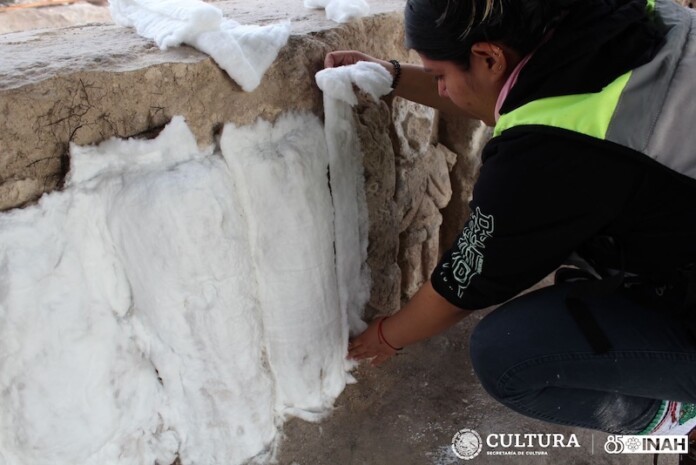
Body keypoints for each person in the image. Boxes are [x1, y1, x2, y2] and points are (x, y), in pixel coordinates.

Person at [326, 0, 696, 451]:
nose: (440, 88)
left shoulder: (549, 157)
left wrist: (384, 337)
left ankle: (672, 409)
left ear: (489, 57)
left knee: (507, 356)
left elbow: (465, 282)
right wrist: (392, 75)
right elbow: (505, 96)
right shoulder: (619, 22)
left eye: (439, 76)